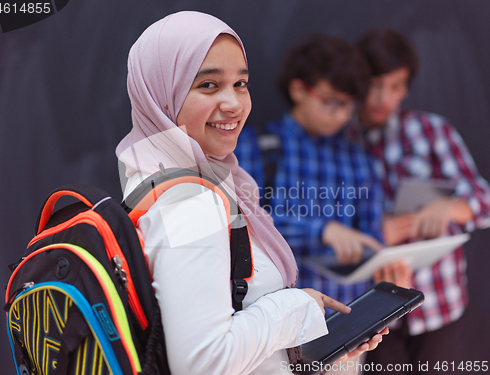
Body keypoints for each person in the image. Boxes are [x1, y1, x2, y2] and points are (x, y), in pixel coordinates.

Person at [115, 11, 386, 375]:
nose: (234, 103)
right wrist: (296, 307)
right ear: (162, 94)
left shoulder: (157, 175)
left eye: (240, 84)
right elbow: (203, 363)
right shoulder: (189, 202)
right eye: (208, 85)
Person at [348, 27, 490, 371]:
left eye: (395, 87)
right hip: (373, 310)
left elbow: (483, 199)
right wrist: (371, 231)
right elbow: (318, 223)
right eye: (375, 84)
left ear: (406, 87)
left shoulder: (432, 131)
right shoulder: (337, 141)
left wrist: (451, 207)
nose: (383, 97)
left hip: (440, 301)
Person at [235, 34, 390, 307]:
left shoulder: (358, 159)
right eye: (331, 102)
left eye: (348, 105)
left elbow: (371, 234)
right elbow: (241, 222)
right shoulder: (255, 146)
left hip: (345, 315)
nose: (341, 115)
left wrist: (380, 259)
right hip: (273, 318)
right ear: (298, 90)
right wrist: (321, 231)